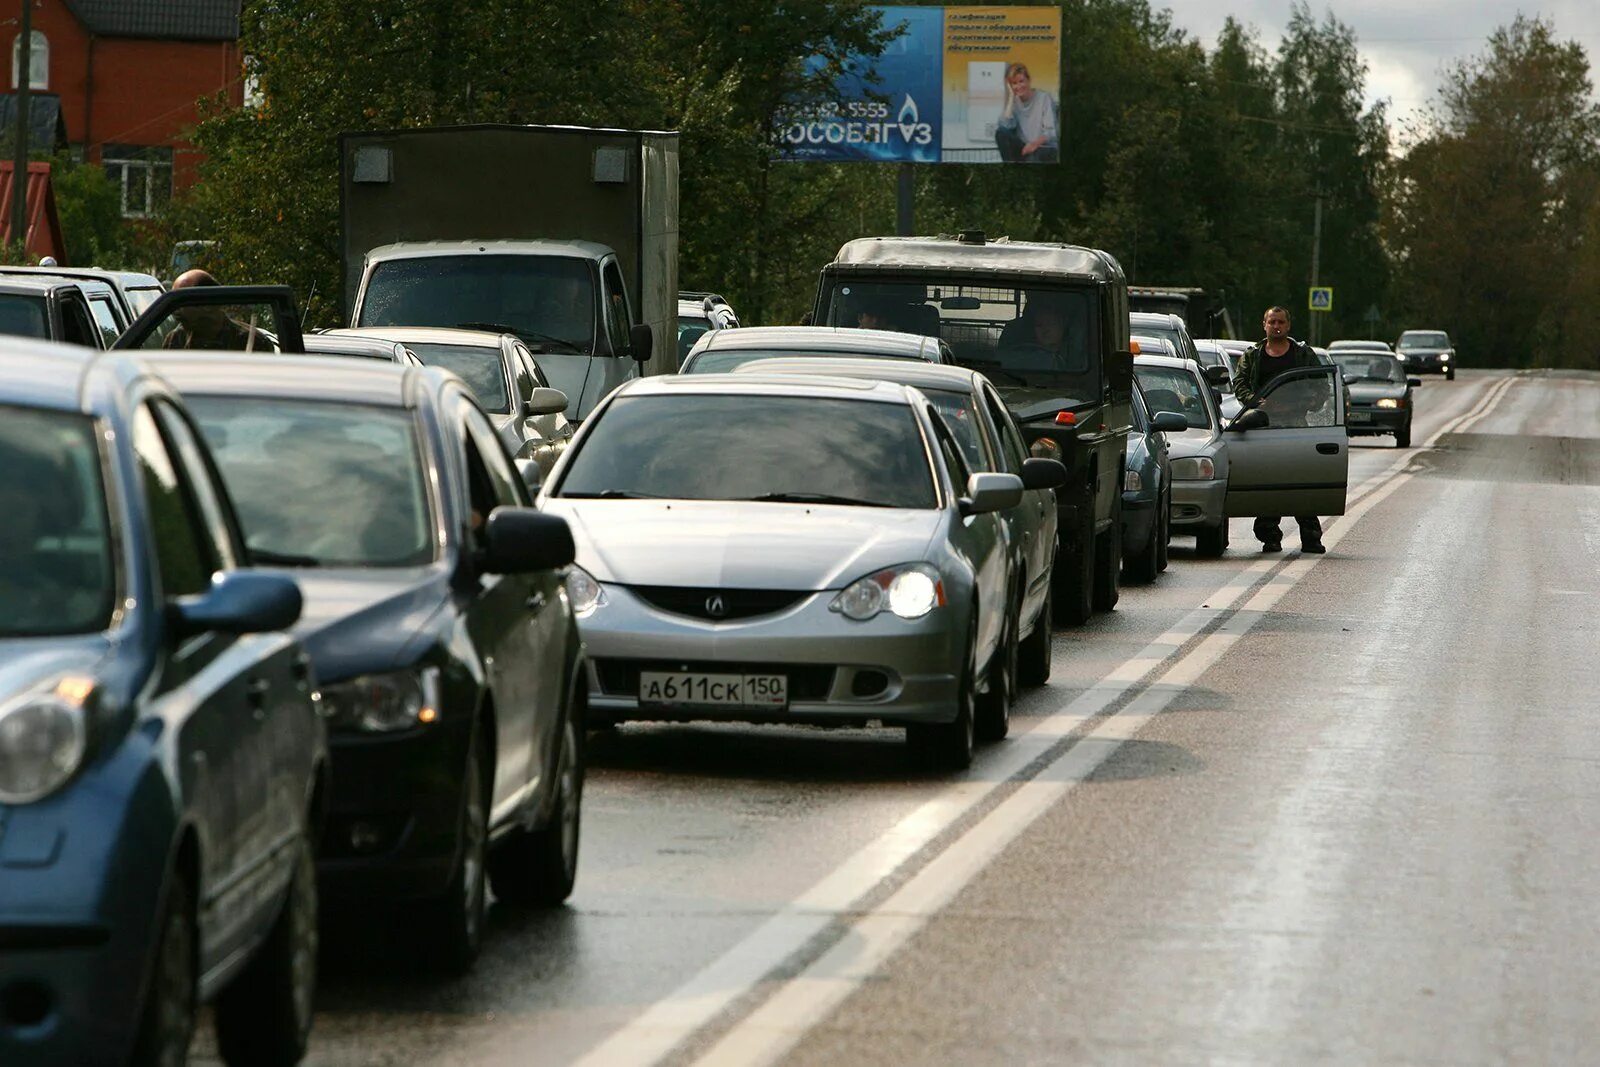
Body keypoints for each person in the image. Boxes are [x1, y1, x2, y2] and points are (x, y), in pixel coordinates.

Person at [1234, 305, 1326, 554]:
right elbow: (1239, 384)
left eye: (1281, 322)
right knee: (1269, 480)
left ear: (1288, 326)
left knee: (1300, 479)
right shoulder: (1253, 355)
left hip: (1296, 425)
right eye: (1272, 322)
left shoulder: (1302, 354)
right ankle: (1270, 536)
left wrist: (1311, 403)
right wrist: (1255, 401)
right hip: (1263, 425)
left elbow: (1321, 382)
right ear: (1263, 324)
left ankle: (1311, 537)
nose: (1276, 326)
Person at [162, 269, 267, 351]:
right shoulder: (175, 341)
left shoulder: (251, 342)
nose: (176, 311)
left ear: (207, 304)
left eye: (182, 303)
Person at [995, 63, 1059, 164]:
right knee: (1000, 132)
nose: (1019, 86)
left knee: (1036, 157)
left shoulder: (1044, 98)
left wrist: (1034, 145)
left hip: (1043, 148)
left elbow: (1051, 132)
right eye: (1014, 83)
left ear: (1029, 81)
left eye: (1021, 81)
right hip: (1024, 148)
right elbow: (1005, 126)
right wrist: (1011, 96)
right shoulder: (1014, 103)